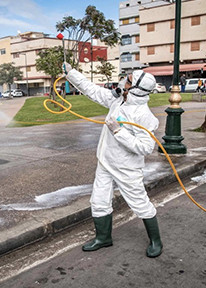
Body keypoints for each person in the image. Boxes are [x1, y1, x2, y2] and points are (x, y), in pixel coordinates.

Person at [63, 62, 163, 258]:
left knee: (140, 203)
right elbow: (92, 90)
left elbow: (145, 147)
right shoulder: (118, 101)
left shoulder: (144, 116)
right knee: (99, 200)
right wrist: (71, 73)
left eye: (129, 81)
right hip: (105, 161)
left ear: (135, 89)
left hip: (127, 168)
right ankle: (103, 238)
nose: (124, 81)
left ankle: (156, 241)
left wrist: (118, 131)